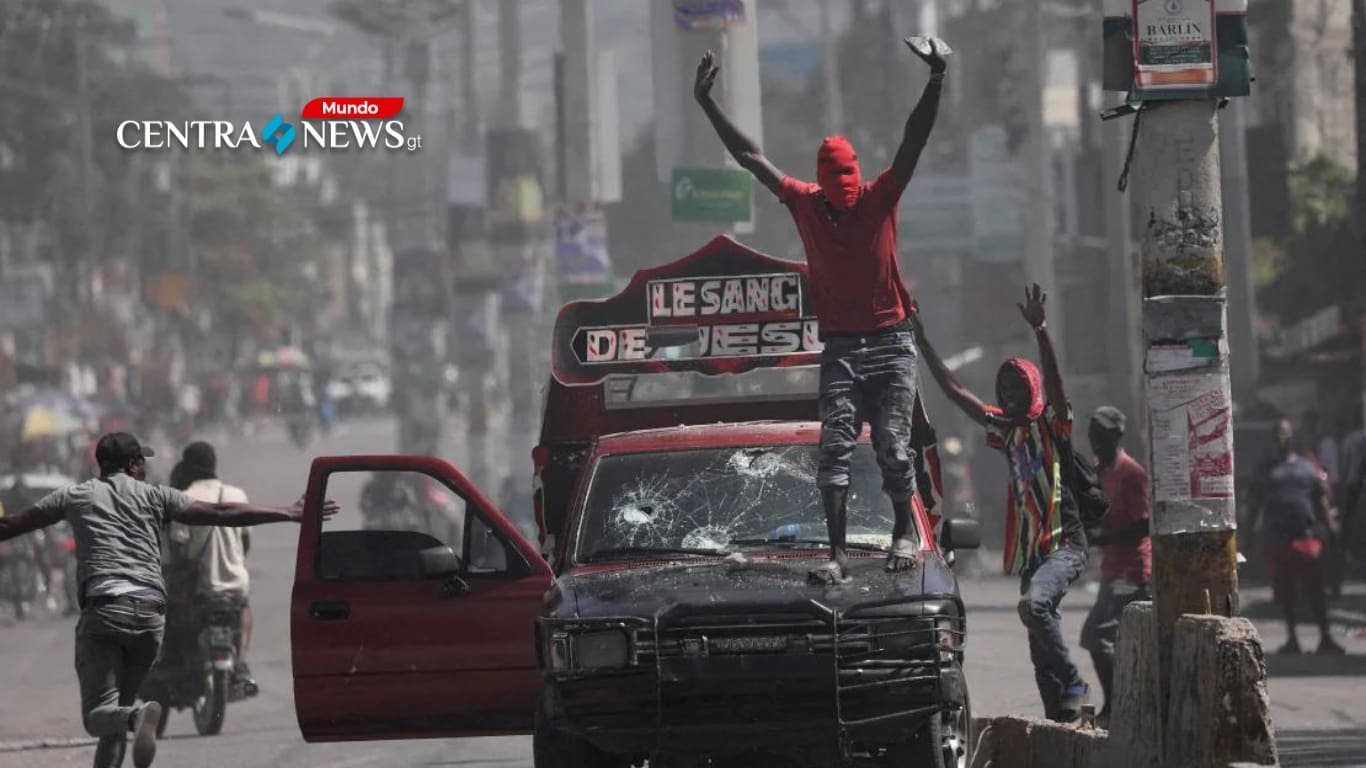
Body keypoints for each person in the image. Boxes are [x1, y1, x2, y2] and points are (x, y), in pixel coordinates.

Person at [693, 35, 948, 584]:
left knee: (893, 448)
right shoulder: (805, 202)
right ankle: (836, 555)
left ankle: (904, 530)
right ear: (823, 186)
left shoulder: (879, 198)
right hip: (840, 346)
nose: (845, 199)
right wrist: (707, 104)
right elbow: (749, 157)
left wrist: (936, 79)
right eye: (837, 192)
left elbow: (913, 141)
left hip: (891, 342)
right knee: (832, 449)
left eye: (850, 189)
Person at [0, 432, 338, 768]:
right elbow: (221, 512)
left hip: (105, 613)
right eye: (141, 462)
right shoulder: (155, 496)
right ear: (132, 466)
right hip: (150, 616)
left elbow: (14, 524)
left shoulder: (74, 496)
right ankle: (133, 716)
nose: (145, 468)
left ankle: (136, 717)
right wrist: (288, 512)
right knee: (115, 717)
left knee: (98, 715)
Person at [912, 284, 1091, 723]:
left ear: (1031, 390)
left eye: (1017, 388)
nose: (1009, 395)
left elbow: (1056, 384)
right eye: (1003, 388)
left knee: (1033, 607)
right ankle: (1061, 718)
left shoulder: (1052, 424)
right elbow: (955, 392)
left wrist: (1041, 330)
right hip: (1034, 554)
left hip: (1064, 544)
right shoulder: (1005, 431)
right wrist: (921, 342)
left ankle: (1075, 682)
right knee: (1036, 640)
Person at [1079, 406, 1151, 728]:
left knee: (1097, 637)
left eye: (1102, 432)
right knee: (1108, 639)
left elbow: (1143, 526)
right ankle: (1122, 705)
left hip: (1131, 571)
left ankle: (1118, 705)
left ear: (1117, 435)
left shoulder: (1131, 473)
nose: (1095, 438)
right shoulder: (1099, 471)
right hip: (1111, 569)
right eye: (1092, 430)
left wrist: (1102, 539)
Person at [1250, 418, 1345, 656]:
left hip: (1307, 538)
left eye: (1284, 434)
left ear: (1292, 436)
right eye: (1277, 434)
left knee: (1316, 591)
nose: (1280, 438)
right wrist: (1249, 533)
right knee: (1287, 593)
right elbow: (1254, 503)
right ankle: (1292, 639)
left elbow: (1321, 501)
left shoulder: (1307, 467)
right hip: (1279, 541)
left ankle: (1325, 638)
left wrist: (1331, 525)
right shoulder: (1265, 470)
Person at [164, 442, 256, 690]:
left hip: (200, 588)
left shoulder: (183, 498)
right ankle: (242, 662)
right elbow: (244, 543)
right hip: (236, 585)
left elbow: (178, 549)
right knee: (244, 612)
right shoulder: (237, 495)